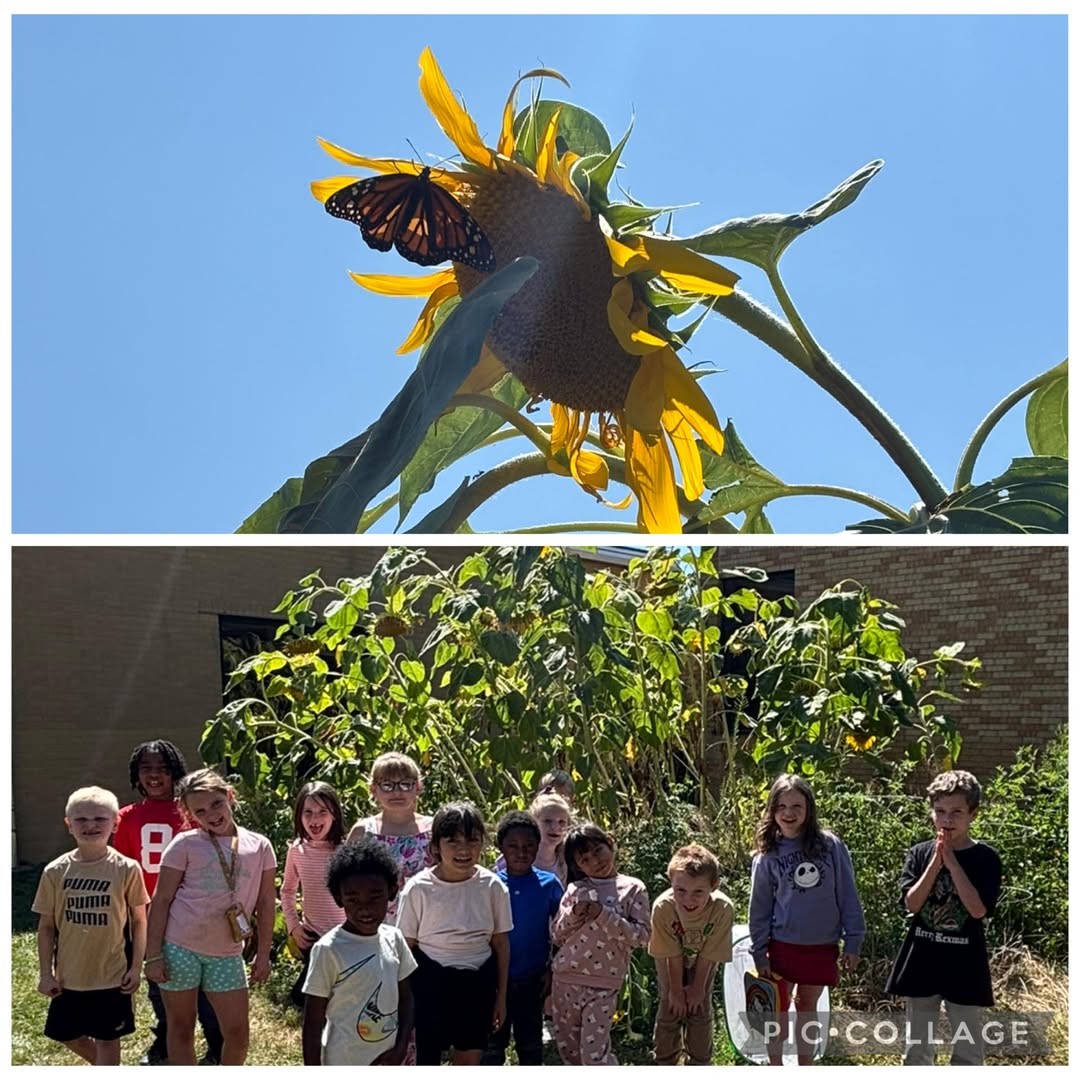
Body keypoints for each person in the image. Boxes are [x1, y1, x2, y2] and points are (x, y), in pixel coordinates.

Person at [143, 768, 277, 1066]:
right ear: (190, 815)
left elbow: (267, 902)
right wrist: (153, 955)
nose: (212, 815)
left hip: (227, 953)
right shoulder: (185, 844)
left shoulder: (260, 845)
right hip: (180, 947)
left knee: (238, 1033)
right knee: (180, 1028)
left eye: (217, 803)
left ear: (230, 796)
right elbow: (161, 899)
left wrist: (264, 953)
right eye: (200, 811)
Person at [112, 739, 223, 1065]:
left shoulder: (192, 812)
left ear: (176, 771)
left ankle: (216, 1044)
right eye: (146, 768)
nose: (155, 775)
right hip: (148, 916)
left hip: (193, 914)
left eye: (162, 768)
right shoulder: (126, 817)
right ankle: (164, 1038)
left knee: (204, 985)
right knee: (158, 981)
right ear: (136, 773)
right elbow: (122, 871)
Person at [885, 769, 1002, 1066]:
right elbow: (911, 904)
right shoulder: (920, 853)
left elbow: (978, 910)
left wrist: (952, 862)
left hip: (965, 964)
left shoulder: (986, 858)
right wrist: (936, 863)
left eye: (956, 812)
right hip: (922, 960)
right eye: (940, 812)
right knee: (917, 1047)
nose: (947, 820)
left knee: (967, 1048)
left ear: (973, 814)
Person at [749, 774, 865, 1066]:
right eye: (782, 806)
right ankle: (775, 1066)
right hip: (782, 944)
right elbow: (759, 908)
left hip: (822, 943)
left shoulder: (830, 846)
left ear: (809, 809)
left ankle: (805, 1065)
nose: (789, 813)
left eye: (797, 806)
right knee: (777, 1007)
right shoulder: (767, 855)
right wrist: (759, 950)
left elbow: (848, 894)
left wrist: (854, 939)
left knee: (807, 1005)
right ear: (772, 810)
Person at [33, 786, 149, 1066]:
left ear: (115, 823)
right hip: (69, 977)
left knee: (109, 1038)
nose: (91, 826)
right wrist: (45, 973)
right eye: (81, 820)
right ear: (68, 825)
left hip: (112, 974)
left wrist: (135, 968)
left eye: (100, 819)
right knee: (65, 1033)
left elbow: (139, 920)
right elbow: (47, 926)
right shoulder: (55, 871)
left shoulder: (127, 868)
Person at [396, 802, 512, 1065]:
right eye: (453, 841)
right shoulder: (418, 888)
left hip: (477, 982)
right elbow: (406, 947)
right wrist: (403, 1002)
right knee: (427, 1059)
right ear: (435, 846)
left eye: (472, 840)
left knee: (468, 1057)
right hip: (429, 982)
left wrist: (501, 998)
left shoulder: (492, 886)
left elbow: (502, 944)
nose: (464, 850)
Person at [301, 836, 418, 1065]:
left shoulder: (394, 939)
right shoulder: (327, 950)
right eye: (353, 899)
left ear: (392, 892)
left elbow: (406, 999)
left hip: (388, 1061)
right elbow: (312, 1024)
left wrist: (400, 1048)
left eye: (375, 897)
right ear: (338, 898)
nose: (365, 908)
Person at [550, 822, 650, 1066]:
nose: (595, 861)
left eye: (598, 851)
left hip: (603, 983)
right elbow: (557, 935)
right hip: (566, 980)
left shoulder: (633, 888)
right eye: (585, 859)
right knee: (570, 1052)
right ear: (578, 866)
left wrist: (603, 914)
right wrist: (575, 914)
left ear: (610, 843)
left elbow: (642, 936)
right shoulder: (576, 889)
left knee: (594, 1055)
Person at [481, 811, 564, 1066]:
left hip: (532, 978)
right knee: (493, 1045)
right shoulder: (490, 884)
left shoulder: (549, 883)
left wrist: (552, 968)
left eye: (529, 846)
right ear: (501, 848)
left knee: (530, 1044)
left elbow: (564, 929)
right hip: (495, 980)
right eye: (513, 846)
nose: (521, 852)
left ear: (538, 846)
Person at [649, 843, 734, 1066]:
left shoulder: (723, 909)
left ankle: (699, 1061)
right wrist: (677, 990)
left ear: (713, 886)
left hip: (705, 957)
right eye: (681, 891)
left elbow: (710, 955)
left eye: (698, 892)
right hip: (669, 958)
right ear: (671, 884)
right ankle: (665, 1060)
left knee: (700, 1005)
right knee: (669, 1003)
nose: (688, 900)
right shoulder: (663, 907)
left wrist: (696, 989)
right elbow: (672, 954)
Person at [281, 781, 347, 1007]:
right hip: (313, 936)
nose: (314, 819)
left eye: (322, 812)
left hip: (344, 936)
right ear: (299, 816)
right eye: (307, 812)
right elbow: (288, 890)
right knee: (307, 997)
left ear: (334, 815)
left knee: (339, 993)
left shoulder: (344, 850)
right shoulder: (297, 850)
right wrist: (293, 926)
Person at [347, 751, 434, 921]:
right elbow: (347, 883)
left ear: (418, 787)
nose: (396, 792)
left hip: (428, 925)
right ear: (373, 789)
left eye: (405, 784)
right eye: (387, 785)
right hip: (376, 926)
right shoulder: (363, 832)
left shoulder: (434, 829)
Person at [494, 792, 572, 885]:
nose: (555, 827)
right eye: (547, 821)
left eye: (561, 822)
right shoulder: (515, 857)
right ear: (534, 822)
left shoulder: (567, 860)